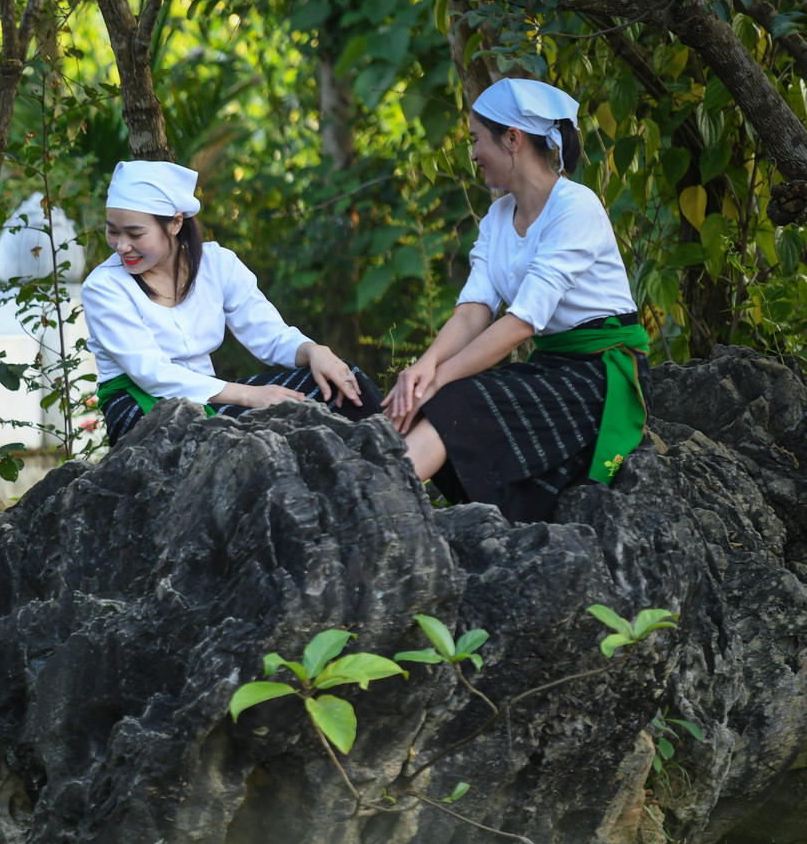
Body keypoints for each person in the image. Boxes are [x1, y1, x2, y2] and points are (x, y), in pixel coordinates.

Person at [386, 79, 648, 523]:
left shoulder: (576, 207)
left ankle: (377, 506)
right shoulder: (498, 217)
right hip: (555, 364)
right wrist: (424, 370)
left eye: (475, 140)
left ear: (513, 139)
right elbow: (474, 310)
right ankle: (373, 496)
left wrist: (441, 379)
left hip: (599, 374)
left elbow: (523, 322)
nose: (471, 154)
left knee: (459, 398)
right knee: (438, 397)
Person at [83, 160, 382, 446]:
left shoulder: (218, 264)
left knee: (341, 382)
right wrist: (251, 396)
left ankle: (408, 464)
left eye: (135, 233)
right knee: (231, 437)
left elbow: (268, 334)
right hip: (140, 403)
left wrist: (314, 351)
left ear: (174, 224)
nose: (122, 246)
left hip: (213, 395)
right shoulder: (104, 287)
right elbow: (150, 372)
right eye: (113, 231)